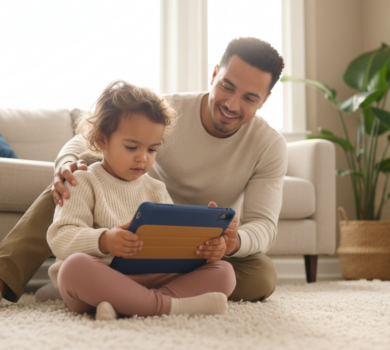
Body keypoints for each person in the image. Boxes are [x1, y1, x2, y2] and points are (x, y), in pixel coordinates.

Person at [0, 37, 287, 304]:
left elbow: (264, 225)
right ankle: (4, 277)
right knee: (66, 187)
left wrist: (232, 243)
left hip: (194, 248)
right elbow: (86, 137)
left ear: (265, 100)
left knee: (261, 273)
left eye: (250, 98)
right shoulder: (167, 109)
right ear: (214, 75)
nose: (231, 104)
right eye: (227, 86)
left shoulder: (269, 145)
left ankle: (126, 295)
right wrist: (65, 164)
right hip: (128, 231)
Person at [47, 80, 236, 319]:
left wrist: (208, 248)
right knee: (73, 269)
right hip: (104, 276)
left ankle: (127, 304)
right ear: (102, 139)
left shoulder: (156, 188)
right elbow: (60, 237)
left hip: (151, 279)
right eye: (131, 147)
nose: (142, 159)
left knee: (225, 271)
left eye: (152, 150)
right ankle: (168, 306)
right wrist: (104, 240)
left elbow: (172, 244)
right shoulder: (83, 181)